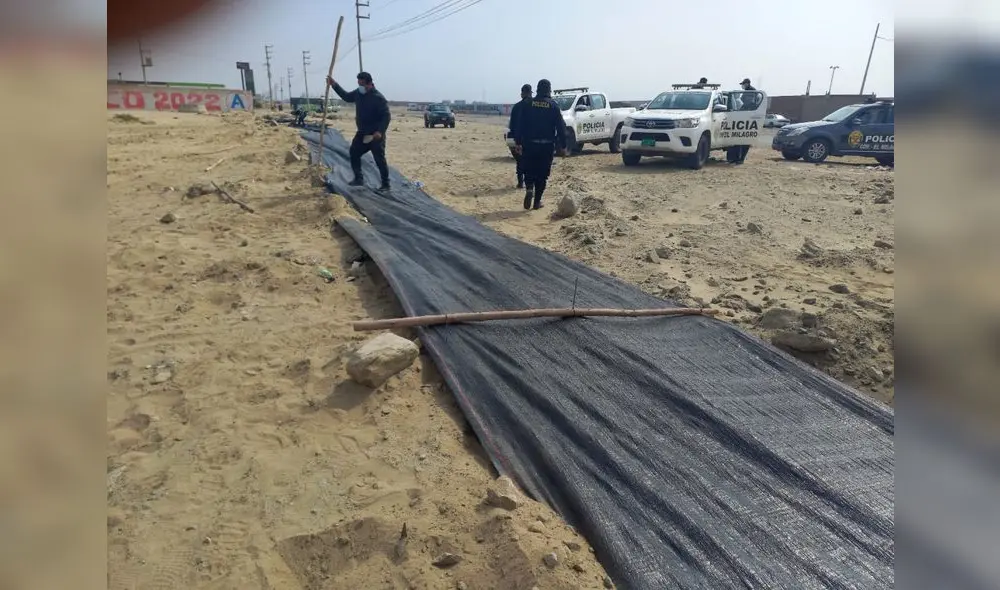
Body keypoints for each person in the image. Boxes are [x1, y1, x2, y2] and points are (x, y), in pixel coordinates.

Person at [326, 71, 392, 191]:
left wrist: (380, 131)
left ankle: (386, 184)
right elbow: (346, 96)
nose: (360, 87)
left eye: (362, 84)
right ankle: (358, 179)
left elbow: (386, 116)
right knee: (354, 152)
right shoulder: (358, 93)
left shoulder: (378, 98)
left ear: (370, 84)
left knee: (379, 159)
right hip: (362, 132)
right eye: (359, 84)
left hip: (375, 134)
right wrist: (334, 84)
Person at [512, 79, 567, 210]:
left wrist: (518, 142)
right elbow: (561, 127)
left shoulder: (527, 104)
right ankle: (537, 202)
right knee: (542, 175)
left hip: (529, 144)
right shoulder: (553, 106)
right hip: (546, 146)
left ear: (537, 90)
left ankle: (529, 188)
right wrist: (563, 145)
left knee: (529, 170)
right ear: (549, 90)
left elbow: (520, 125)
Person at [508, 84, 532, 189]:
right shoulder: (533, 105)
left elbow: (512, 125)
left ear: (522, 94)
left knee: (519, 161)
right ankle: (529, 183)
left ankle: (520, 182)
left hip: (517, 139)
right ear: (530, 93)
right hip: (530, 138)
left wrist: (514, 138)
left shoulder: (516, 107)